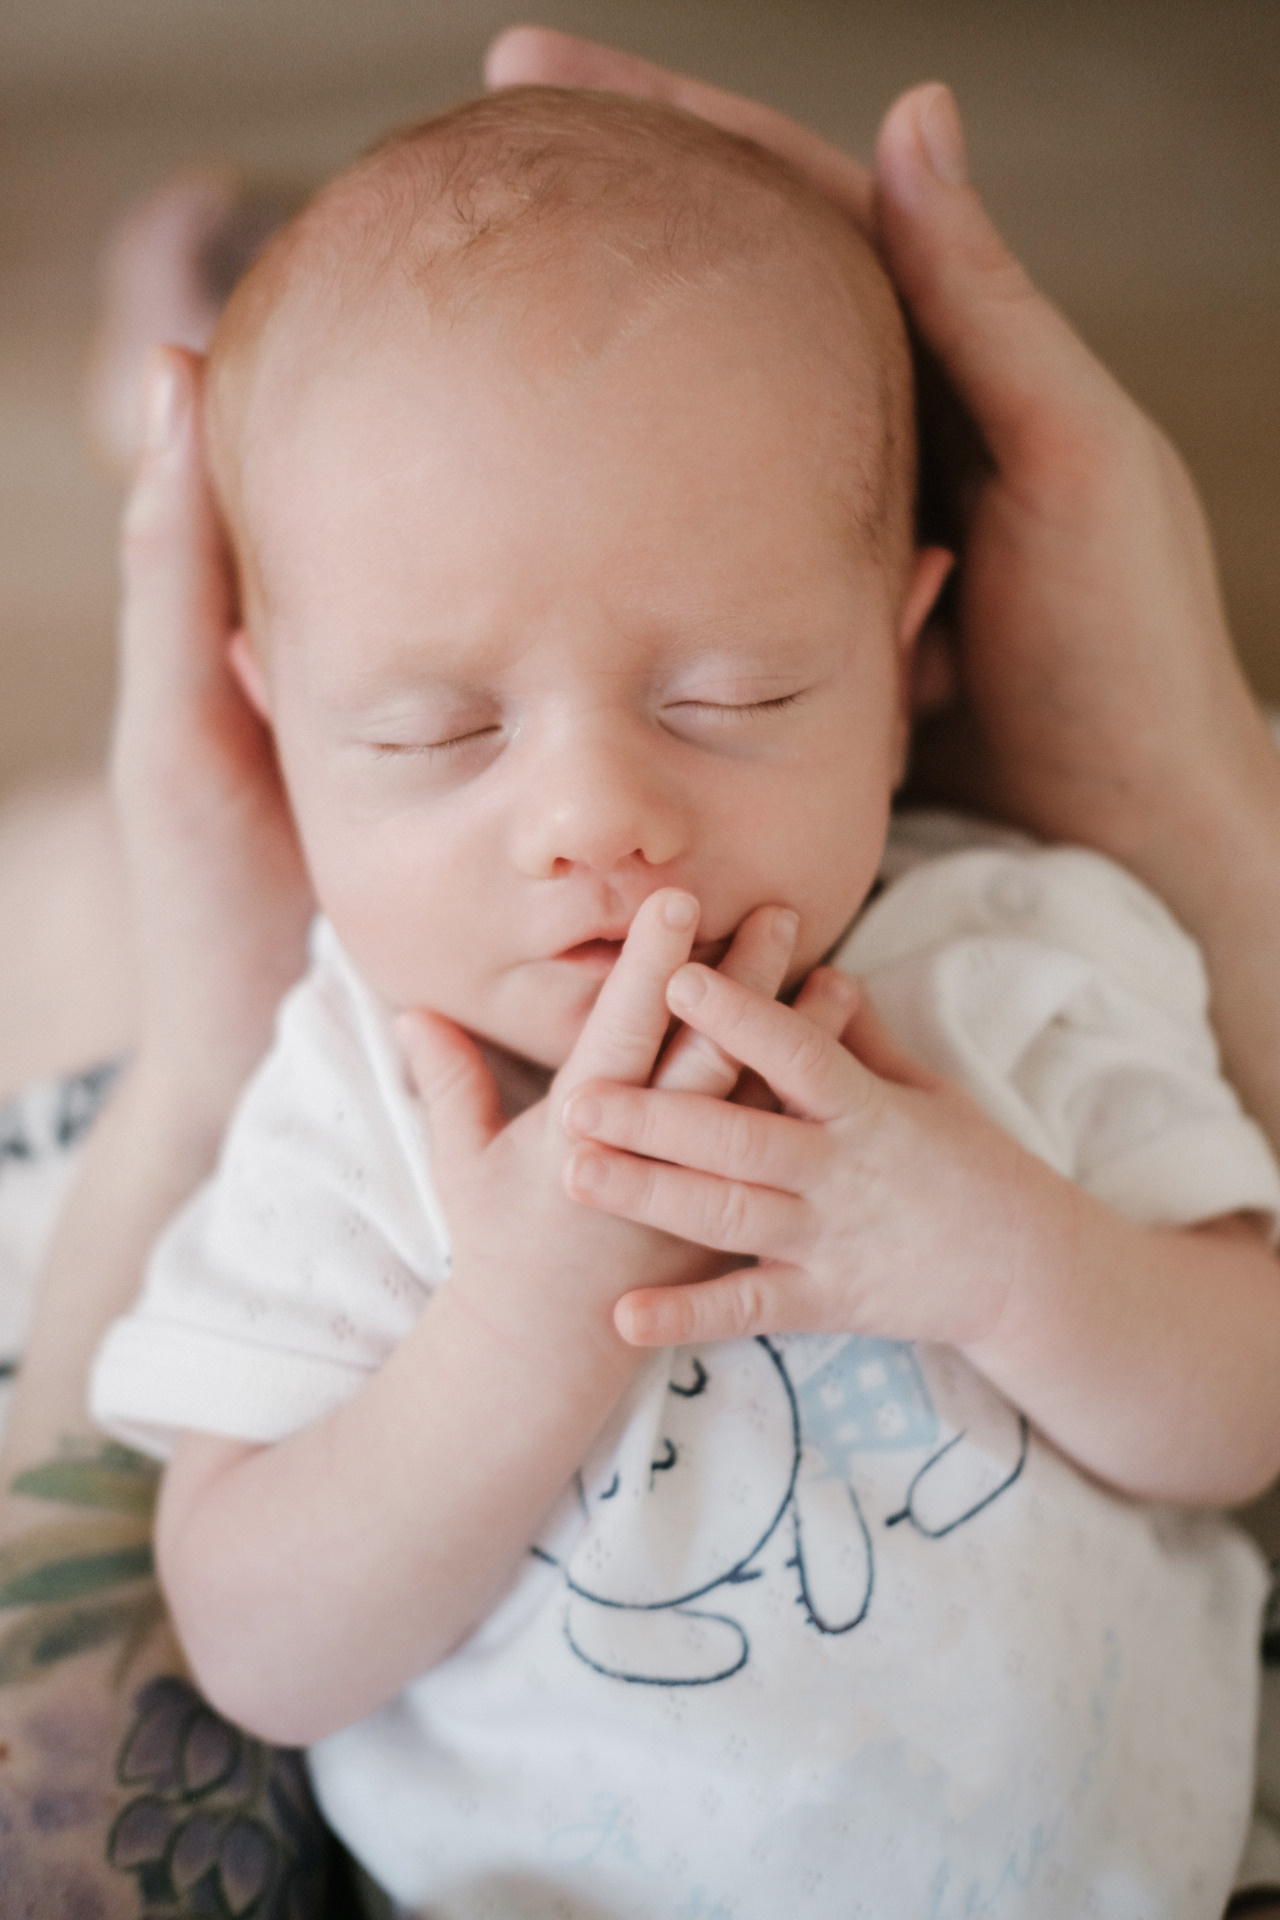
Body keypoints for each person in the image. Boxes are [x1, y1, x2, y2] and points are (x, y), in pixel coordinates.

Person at [1, 28, 1279, 1920]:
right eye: (433, 733)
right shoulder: (365, 1091)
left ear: (913, 647)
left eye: (733, 696)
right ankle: (197, 405)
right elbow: (258, 1644)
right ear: (278, 734)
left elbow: (1246, 1401)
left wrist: (1011, 1255)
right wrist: (508, 1331)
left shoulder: (1010, 962)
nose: (597, 818)